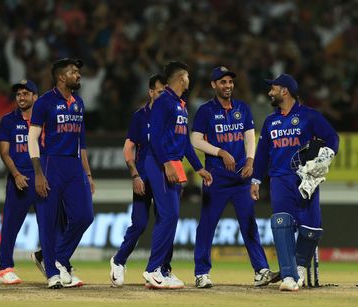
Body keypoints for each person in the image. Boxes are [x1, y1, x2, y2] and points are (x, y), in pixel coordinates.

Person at [191, 66, 279, 288]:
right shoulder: (205, 111)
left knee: (249, 224)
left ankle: (261, 271)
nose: (228, 86)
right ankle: (202, 273)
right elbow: (195, 141)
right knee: (207, 226)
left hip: (241, 178)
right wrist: (220, 152)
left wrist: (250, 161)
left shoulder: (242, 108)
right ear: (214, 85)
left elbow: (250, 138)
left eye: (230, 82)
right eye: (223, 82)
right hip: (216, 177)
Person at [251, 74, 339, 291]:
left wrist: (326, 157)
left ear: (285, 91)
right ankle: (289, 276)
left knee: (311, 229)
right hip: (279, 179)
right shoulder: (271, 121)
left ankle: (300, 266)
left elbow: (332, 138)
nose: (269, 92)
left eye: (273, 88)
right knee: (282, 224)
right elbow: (262, 154)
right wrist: (255, 179)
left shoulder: (309, 116)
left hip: (306, 179)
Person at [143, 61, 213, 289]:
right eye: (188, 77)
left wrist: (198, 167)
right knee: (170, 216)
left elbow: (184, 142)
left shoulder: (180, 105)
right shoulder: (164, 101)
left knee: (169, 217)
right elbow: (153, 137)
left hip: (173, 163)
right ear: (182, 78)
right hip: (160, 163)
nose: (189, 81)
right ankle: (153, 269)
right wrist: (166, 164)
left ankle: (162, 269)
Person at [28, 58, 95, 289]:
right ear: (61, 77)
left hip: (74, 166)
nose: (78, 75)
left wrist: (87, 174)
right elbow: (32, 138)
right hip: (49, 163)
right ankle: (52, 274)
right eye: (73, 71)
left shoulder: (79, 103)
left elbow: (82, 143)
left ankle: (57, 258)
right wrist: (37, 172)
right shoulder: (44, 102)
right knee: (48, 220)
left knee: (85, 215)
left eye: (78, 71)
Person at [109, 74, 169, 287]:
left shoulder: (171, 114)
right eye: (160, 92)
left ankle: (162, 269)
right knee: (140, 223)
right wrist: (134, 175)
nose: (164, 96)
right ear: (151, 92)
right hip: (143, 176)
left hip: (164, 177)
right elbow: (128, 148)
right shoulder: (140, 117)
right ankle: (118, 260)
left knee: (166, 220)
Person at [0, 79, 43, 284]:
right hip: (19, 179)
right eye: (18, 94)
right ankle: (5, 268)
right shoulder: (8, 120)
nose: (21, 97)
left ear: (35, 97)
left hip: (41, 178)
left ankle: (52, 264)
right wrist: (15, 175)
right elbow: (4, 152)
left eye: (26, 93)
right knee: (10, 226)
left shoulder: (44, 120)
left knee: (51, 225)